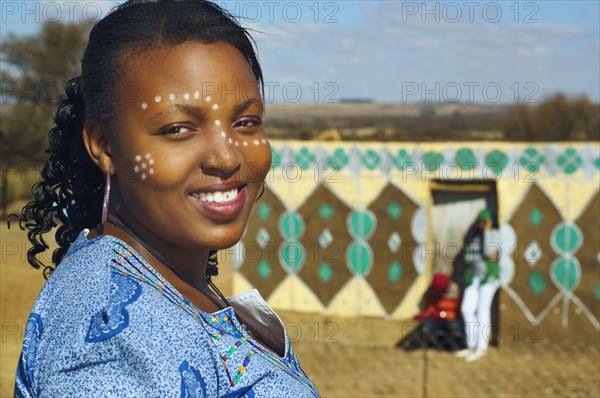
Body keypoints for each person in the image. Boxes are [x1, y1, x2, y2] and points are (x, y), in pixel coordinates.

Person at [12, 1, 319, 396]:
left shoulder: (166, 280)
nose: (227, 157)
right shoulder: (113, 338)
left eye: (245, 123)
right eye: (177, 129)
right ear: (105, 146)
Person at [455, 208, 501, 362]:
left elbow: (491, 254)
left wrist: (487, 231)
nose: (482, 225)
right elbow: (468, 253)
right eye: (480, 222)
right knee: (467, 309)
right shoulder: (474, 237)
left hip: (489, 277)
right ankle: (471, 345)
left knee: (482, 311)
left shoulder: (494, 235)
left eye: (484, 222)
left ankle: (481, 347)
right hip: (474, 276)